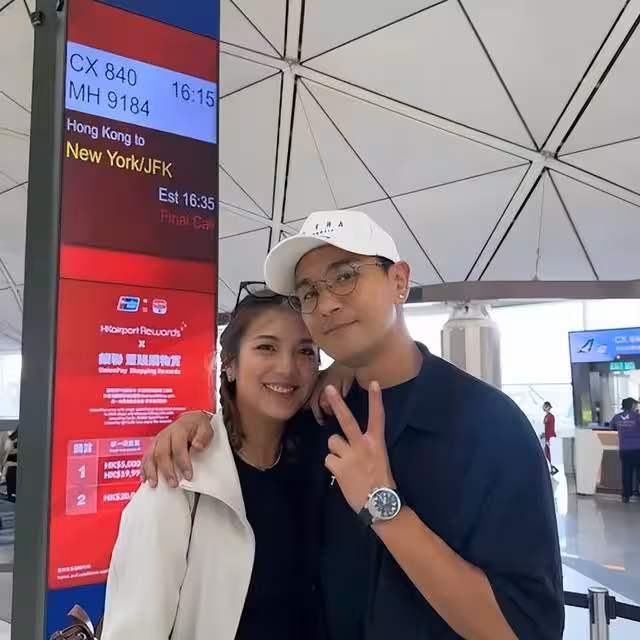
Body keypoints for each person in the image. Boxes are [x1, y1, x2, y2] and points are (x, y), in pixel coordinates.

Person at [142, 210, 564, 639]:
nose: (326, 304)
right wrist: (200, 427)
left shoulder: (489, 427)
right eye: (309, 292)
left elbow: (524, 630)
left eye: (345, 276)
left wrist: (382, 506)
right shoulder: (317, 420)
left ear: (399, 281)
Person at [101, 286, 328, 640]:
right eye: (266, 347)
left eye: (305, 351)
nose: (287, 367)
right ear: (231, 365)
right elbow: (135, 629)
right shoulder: (181, 477)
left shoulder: (316, 464)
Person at [610, 397, 640, 503]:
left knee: (626, 472)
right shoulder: (637, 417)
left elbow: (612, 427)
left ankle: (626, 496)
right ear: (632, 406)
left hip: (624, 449)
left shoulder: (617, 417)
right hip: (637, 449)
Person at [541, 402, 559, 476]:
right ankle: (552, 468)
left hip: (550, 437)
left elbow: (550, 428)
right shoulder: (548, 416)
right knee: (547, 453)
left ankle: (553, 468)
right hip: (548, 437)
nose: (544, 408)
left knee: (549, 454)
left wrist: (549, 439)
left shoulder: (550, 417)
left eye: (545, 407)